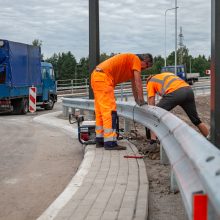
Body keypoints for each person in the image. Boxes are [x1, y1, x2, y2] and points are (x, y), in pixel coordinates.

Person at [91, 53, 153, 150]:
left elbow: (133, 84)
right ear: (145, 60)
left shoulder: (130, 62)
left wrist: (137, 99)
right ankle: (110, 142)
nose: (144, 69)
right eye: (146, 66)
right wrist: (141, 100)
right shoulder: (136, 59)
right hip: (104, 78)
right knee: (110, 111)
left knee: (100, 111)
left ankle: (100, 139)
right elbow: (138, 81)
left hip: (96, 76)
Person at [146, 72, 209, 144]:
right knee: (196, 120)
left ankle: (153, 140)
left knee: (154, 114)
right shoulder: (164, 75)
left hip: (175, 93)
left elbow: (151, 104)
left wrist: (151, 113)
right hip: (188, 90)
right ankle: (211, 140)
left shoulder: (150, 82)